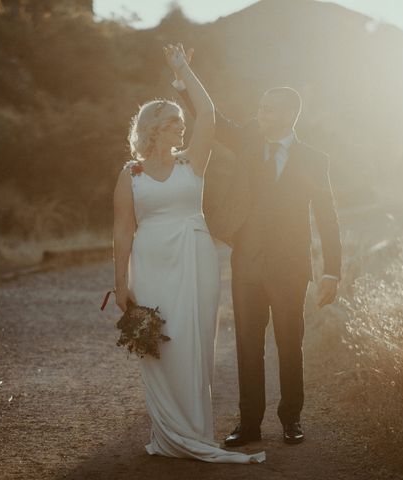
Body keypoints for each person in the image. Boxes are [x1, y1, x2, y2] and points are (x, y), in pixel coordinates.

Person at [172, 45, 342, 446]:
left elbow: (328, 217)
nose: (260, 115)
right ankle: (248, 425)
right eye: (261, 108)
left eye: (268, 110)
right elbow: (210, 118)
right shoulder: (247, 138)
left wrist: (332, 271)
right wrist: (183, 80)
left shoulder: (315, 160)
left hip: (291, 268)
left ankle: (291, 419)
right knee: (248, 346)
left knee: (289, 345)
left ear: (287, 115)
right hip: (246, 264)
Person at [112, 44, 265, 464]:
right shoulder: (130, 174)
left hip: (196, 257)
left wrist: (182, 71)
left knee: (193, 342)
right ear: (154, 129)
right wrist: (121, 283)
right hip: (151, 264)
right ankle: (168, 431)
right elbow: (123, 229)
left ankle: (195, 431)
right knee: (160, 343)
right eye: (175, 124)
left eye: (182, 123)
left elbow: (210, 115)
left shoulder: (192, 162)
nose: (183, 128)